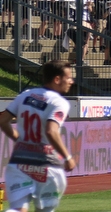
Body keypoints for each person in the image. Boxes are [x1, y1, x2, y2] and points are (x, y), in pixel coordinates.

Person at [0, 61, 76, 212]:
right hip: (47, 164)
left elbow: (2, 120)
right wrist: (67, 157)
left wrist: (18, 138)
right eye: (68, 77)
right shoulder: (58, 102)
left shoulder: (25, 95)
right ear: (57, 79)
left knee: (18, 209)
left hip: (19, 161)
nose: (71, 81)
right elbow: (51, 131)